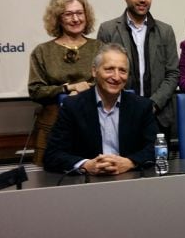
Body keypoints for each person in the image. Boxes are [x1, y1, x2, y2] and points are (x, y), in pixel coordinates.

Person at [43, 43, 157, 175]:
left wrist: (129, 162)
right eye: (109, 69)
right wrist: (86, 165)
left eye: (122, 70)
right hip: (86, 185)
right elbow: (52, 155)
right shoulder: (72, 107)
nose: (116, 77)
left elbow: (157, 148)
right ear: (94, 71)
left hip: (129, 180)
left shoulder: (142, 106)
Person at [97, 0, 179, 138]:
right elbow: (101, 72)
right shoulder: (108, 30)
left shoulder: (165, 31)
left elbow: (173, 73)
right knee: (122, 163)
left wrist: (153, 104)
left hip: (158, 116)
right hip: (119, 114)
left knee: (158, 163)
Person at [28, 0, 103, 166]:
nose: (75, 19)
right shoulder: (42, 52)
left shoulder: (99, 47)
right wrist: (67, 88)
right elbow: (35, 90)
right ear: (57, 19)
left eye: (79, 13)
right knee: (49, 181)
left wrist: (87, 87)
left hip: (92, 124)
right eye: (68, 14)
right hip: (52, 126)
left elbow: (108, 82)